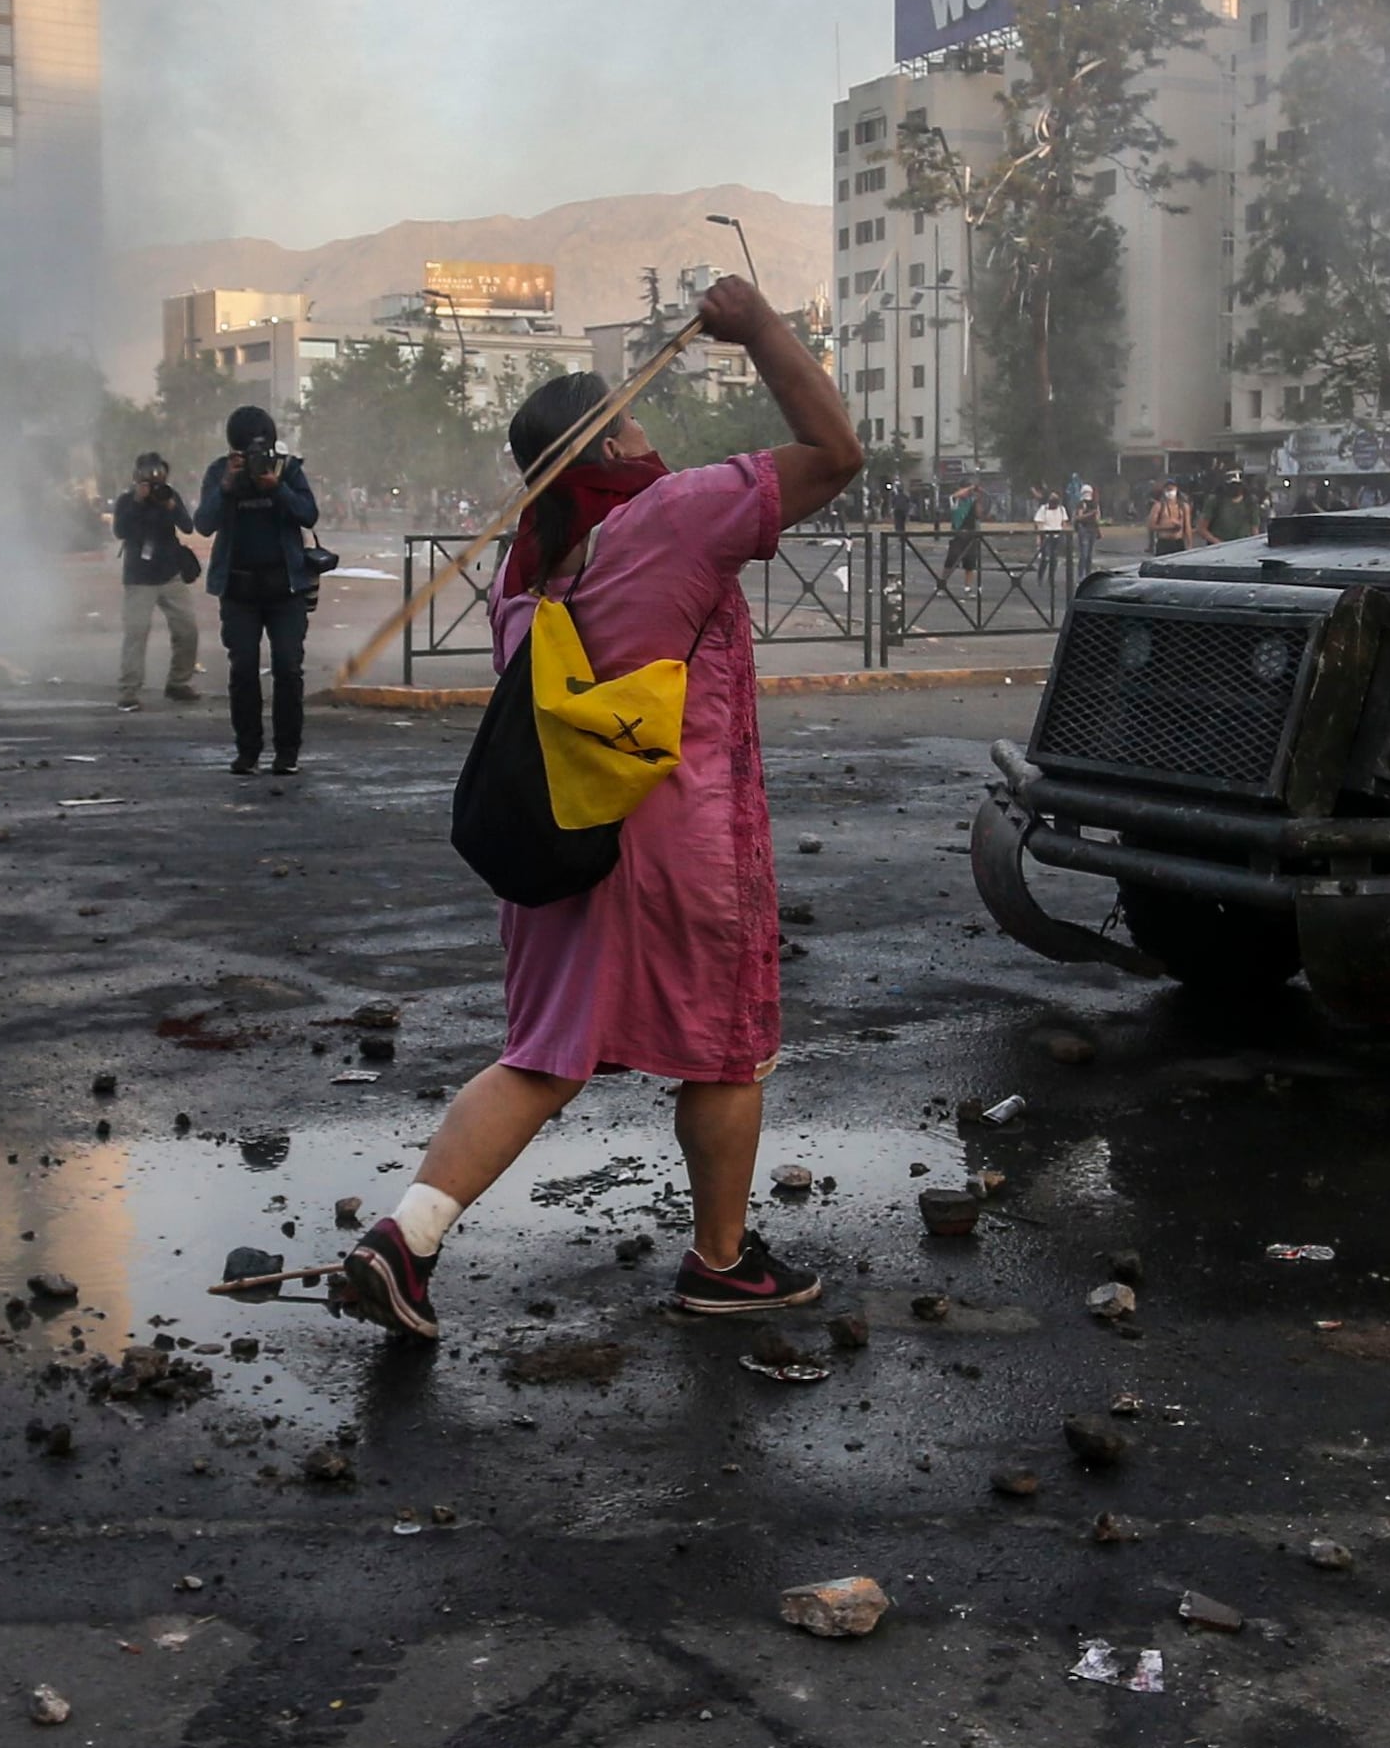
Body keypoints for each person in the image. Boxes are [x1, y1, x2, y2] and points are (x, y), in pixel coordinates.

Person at [317, 277, 863, 1340]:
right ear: (607, 446)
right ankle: (718, 1261)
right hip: (675, 849)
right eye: (634, 419)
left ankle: (405, 1237)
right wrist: (757, 331)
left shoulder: (524, 563)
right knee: (725, 1050)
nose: (647, 432)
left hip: (558, 839)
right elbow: (836, 452)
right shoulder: (672, 517)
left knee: (540, 1054)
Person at [190, 404, 323, 776]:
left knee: (288, 668)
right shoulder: (220, 472)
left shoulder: (288, 468)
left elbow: (308, 514)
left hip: (286, 588)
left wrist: (277, 488)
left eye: (261, 450)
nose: (255, 458)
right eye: (247, 452)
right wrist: (227, 488)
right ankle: (247, 750)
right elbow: (203, 524)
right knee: (243, 669)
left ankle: (287, 752)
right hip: (238, 588)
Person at [106, 452, 202, 709]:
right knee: (136, 633)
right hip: (139, 578)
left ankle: (178, 682)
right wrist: (138, 501)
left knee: (187, 629)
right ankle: (129, 690)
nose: (154, 480)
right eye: (148, 475)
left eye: (158, 474)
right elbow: (120, 530)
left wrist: (171, 505)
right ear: (137, 477)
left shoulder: (169, 496)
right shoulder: (127, 500)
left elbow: (187, 526)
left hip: (170, 573)